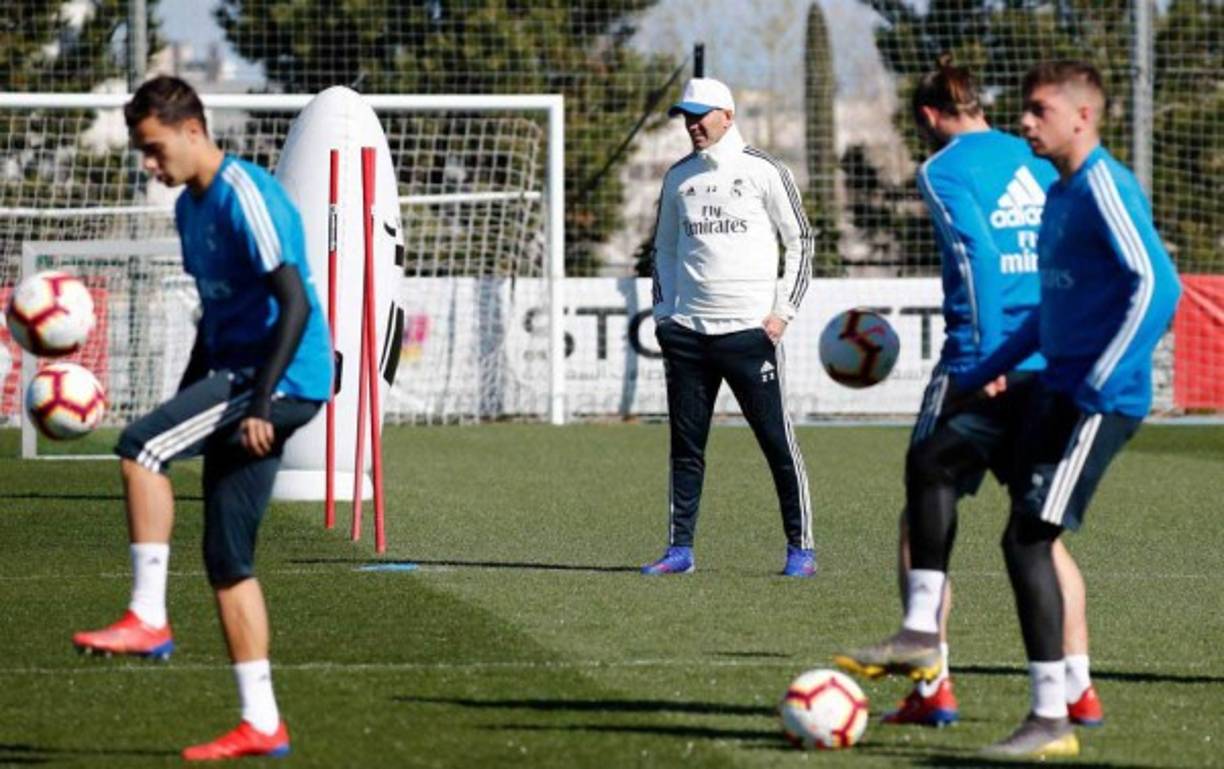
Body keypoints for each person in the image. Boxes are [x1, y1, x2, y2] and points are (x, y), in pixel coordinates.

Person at [833, 58, 1102, 730]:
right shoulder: (1037, 155)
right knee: (1040, 532)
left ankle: (931, 679)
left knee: (923, 506)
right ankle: (1078, 687)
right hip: (1053, 355)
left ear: (928, 117)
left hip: (982, 362)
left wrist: (984, 363)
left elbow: (978, 256)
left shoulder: (943, 169)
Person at [71, 76, 333, 761]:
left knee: (140, 449)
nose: (150, 167)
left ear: (193, 130)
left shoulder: (246, 195)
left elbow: (295, 304)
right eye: (142, 155)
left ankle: (150, 615)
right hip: (245, 376)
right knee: (227, 558)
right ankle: (262, 720)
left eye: (155, 150)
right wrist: (188, 401)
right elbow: (214, 321)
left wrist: (254, 403)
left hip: (280, 378)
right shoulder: (189, 210)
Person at [950, 61, 1181, 758]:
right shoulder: (1058, 194)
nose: (1024, 120)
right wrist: (981, 373)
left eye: (1039, 109)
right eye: (1024, 107)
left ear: (1082, 116)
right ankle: (1071, 693)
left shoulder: (1104, 185)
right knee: (1031, 537)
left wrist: (1099, 382)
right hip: (1059, 389)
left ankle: (1051, 716)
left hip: (1098, 400)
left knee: (1026, 538)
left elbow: (1157, 287)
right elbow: (1051, 310)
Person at [641, 77, 815, 577]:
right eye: (686, 116)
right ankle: (680, 549)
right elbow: (665, 250)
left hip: (749, 336)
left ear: (728, 116)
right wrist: (663, 315)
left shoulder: (764, 170)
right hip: (688, 336)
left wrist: (783, 312)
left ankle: (801, 549)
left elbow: (800, 240)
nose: (692, 124)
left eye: (701, 114)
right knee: (686, 448)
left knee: (777, 444)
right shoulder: (678, 177)